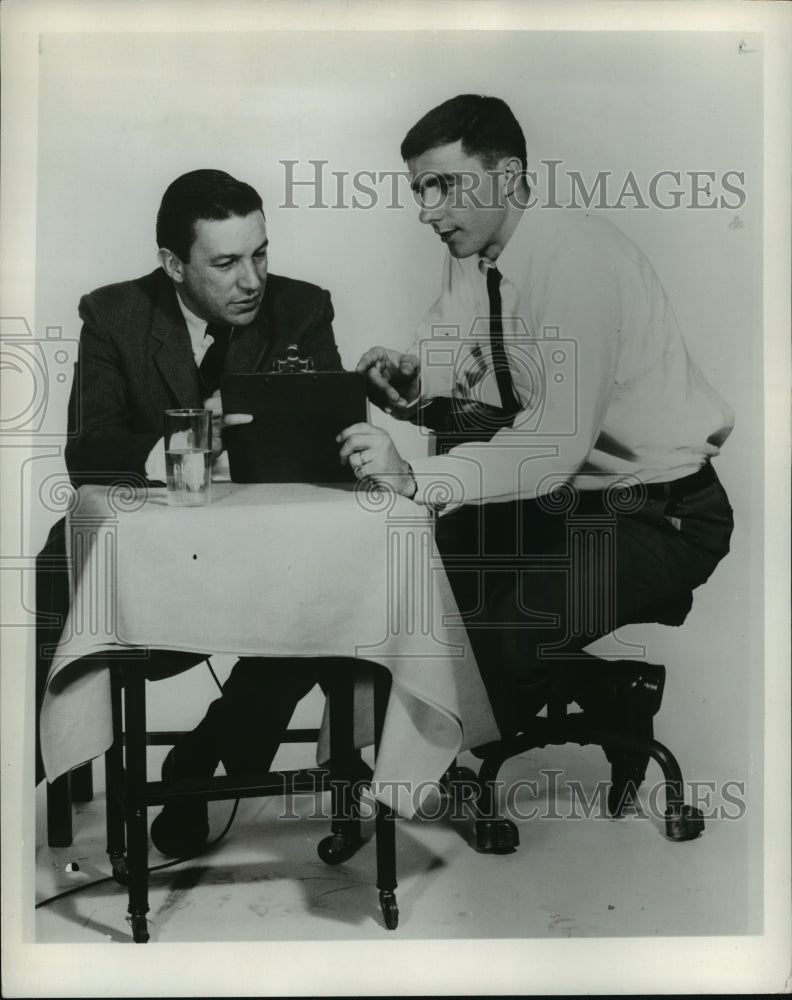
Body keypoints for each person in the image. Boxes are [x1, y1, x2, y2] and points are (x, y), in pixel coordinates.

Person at [339, 95, 735, 810]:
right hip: (563, 498)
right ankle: (405, 768)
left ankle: (602, 701)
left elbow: (551, 447)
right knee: (414, 589)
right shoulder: (475, 249)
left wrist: (413, 476)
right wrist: (407, 376)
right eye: (419, 190)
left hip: (656, 512)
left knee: (504, 634)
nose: (428, 210)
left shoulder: (578, 261)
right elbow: (454, 352)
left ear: (508, 174)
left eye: (444, 186)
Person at [47, 169, 348, 855]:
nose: (253, 280)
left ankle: (200, 760)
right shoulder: (114, 315)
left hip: (269, 559)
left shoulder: (302, 309)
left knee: (339, 590)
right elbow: (88, 450)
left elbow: (325, 435)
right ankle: (77, 764)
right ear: (173, 264)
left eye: (261, 253)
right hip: (160, 564)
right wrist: (189, 439)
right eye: (226, 262)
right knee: (53, 587)